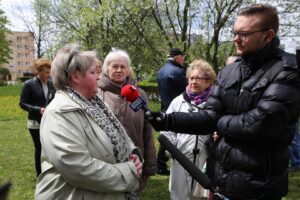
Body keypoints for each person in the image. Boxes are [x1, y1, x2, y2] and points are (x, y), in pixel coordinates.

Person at [147, 4, 300, 200]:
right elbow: (208, 117)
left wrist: (219, 121)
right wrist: (167, 120)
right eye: (235, 32)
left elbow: (260, 124)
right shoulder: (229, 72)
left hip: (260, 188)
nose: (236, 39)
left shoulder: (288, 70)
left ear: (268, 35)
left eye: (244, 34)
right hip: (221, 182)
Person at [35, 45, 143, 200]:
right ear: (76, 76)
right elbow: (77, 168)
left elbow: (121, 136)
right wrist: (129, 172)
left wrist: (133, 153)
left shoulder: (96, 105)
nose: (99, 76)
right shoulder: (59, 113)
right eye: (93, 72)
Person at [97, 48, 157, 192]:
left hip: (135, 162)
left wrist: (149, 166)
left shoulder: (139, 94)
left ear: (128, 70)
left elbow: (147, 131)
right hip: (105, 163)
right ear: (106, 69)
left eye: (123, 67)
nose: (119, 70)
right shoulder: (96, 93)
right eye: (114, 66)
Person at [161, 59, 216, 200]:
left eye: (198, 78)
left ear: (209, 81)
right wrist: (173, 151)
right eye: (191, 78)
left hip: (206, 159)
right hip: (181, 157)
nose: (193, 81)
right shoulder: (178, 102)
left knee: (201, 196)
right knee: (179, 195)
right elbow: (166, 128)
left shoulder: (214, 103)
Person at [19, 58, 55, 176]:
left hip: (49, 121)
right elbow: (22, 103)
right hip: (35, 122)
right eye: (46, 72)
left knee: (50, 146)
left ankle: (50, 171)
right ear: (38, 72)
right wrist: (38, 110)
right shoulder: (28, 84)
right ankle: (40, 174)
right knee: (39, 147)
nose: (49, 75)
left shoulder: (51, 84)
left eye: (50, 72)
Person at [156, 47, 187, 175]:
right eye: (183, 56)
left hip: (164, 106)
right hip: (177, 108)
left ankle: (160, 163)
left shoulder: (161, 71)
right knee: (175, 137)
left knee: (166, 136)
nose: (184, 59)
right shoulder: (179, 72)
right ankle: (162, 163)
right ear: (177, 57)